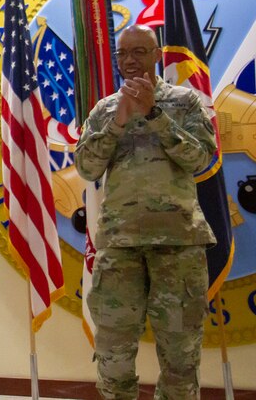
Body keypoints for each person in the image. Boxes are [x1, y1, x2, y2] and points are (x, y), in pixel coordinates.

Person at [75, 24, 216, 400]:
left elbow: (200, 159)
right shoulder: (105, 109)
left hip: (178, 243)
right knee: (113, 354)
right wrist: (117, 122)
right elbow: (87, 168)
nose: (131, 60)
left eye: (140, 52)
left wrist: (155, 114)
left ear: (157, 56)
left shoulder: (185, 102)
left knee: (180, 357)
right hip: (120, 245)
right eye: (123, 54)